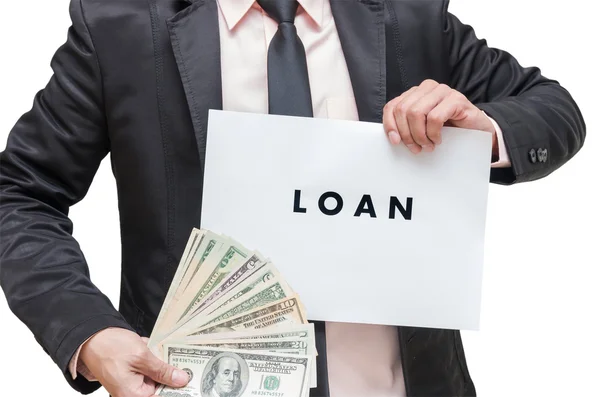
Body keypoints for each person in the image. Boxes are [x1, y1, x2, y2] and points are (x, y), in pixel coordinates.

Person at [0, 0, 586, 396]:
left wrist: (486, 130)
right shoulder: (120, 23)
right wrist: (89, 334)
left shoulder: (407, 15)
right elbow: (20, 193)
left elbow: (552, 108)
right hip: (192, 383)